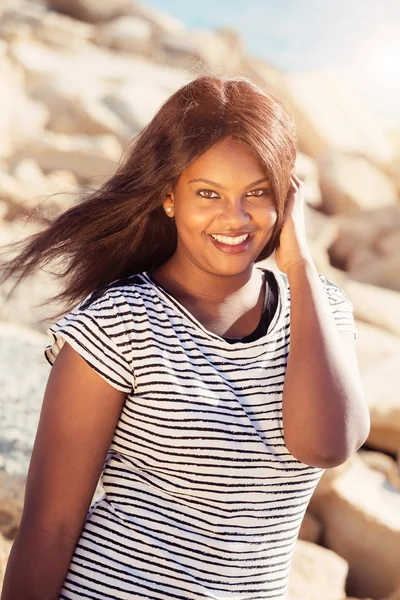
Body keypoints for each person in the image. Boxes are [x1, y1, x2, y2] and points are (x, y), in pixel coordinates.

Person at [0, 73, 370, 600]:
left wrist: (301, 264)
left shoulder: (322, 309)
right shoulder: (119, 322)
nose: (234, 218)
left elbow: (327, 444)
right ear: (169, 196)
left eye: (257, 192)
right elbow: (49, 529)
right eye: (208, 193)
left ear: (287, 197)